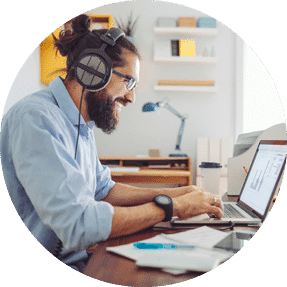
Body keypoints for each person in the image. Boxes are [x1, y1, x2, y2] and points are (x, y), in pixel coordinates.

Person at [0, 14, 223, 273]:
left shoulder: (81, 123)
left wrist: (177, 194)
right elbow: (78, 224)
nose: (131, 97)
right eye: (129, 81)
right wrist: (172, 207)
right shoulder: (36, 119)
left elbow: (102, 190)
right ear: (93, 70)